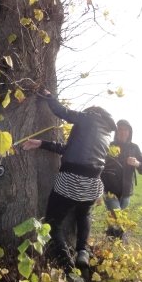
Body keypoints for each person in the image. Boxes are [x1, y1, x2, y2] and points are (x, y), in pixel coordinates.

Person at [22, 90, 116, 271]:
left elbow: (62, 112)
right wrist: (42, 143)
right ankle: (82, 251)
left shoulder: (89, 117)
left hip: (71, 180)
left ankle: (67, 266)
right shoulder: (106, 131)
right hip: (92, 184)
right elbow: (70, 150)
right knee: (84, 214)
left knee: (51, 222)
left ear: (92, 111)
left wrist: (49, 96)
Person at [101, 119, 142, 238]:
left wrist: (137, 163)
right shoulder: (109, 146)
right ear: (116, 132)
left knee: (114, 221)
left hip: (126, 193)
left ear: (129, 132)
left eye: (125, 130)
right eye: (120, 130)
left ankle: (110, 244)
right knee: (118, 219)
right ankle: (123, 243)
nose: (123, 132)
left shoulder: (134, 148)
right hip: (110, 192)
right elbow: (99, 166)